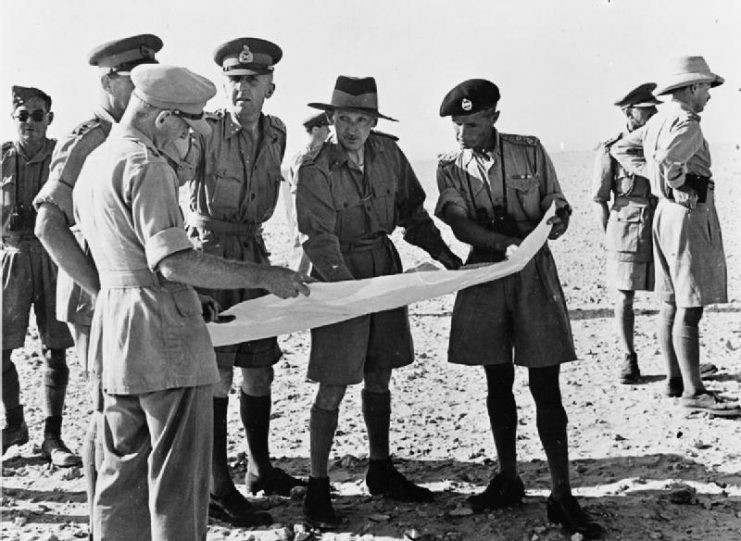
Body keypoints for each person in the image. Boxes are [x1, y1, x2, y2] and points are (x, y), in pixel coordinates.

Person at [73, 64, 311, 541]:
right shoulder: (147, 164)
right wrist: (266, 275)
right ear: (162, 119)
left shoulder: (98, 160)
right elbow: (173, 262)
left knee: (122, 470)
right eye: (186, 123)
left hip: (116, 328)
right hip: (162, 333)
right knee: (178, 479)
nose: (189, 134)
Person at [435, 79, 602, 539]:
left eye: (471, 123)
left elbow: (554, 199)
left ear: (493, 117)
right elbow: (457, 222)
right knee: (497, 380)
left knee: (546, 382)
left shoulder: (529, 150)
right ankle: (507, 477)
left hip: (532, 270)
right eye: (457, 124)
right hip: (487, 272)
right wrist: (501, 245)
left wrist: (557, 219)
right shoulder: (449, 166)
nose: (462, 132)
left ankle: (562, 493)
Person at [296, 75, 462, 528]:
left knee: (379, 373)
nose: (352, 129)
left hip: (382, 267)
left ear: (373, 122)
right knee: (333, 381)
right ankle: (316, 487)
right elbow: (318, 238)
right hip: (338, 276)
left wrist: (445, 256)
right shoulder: (314, 166)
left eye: (361, 120)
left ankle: (381, 469)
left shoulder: (389, 153)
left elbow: (412, 213)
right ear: (330, 120)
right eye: (343, 119)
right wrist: (350, 295)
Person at [32, 34, 164, 528]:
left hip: (134, 290)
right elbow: (48, 223)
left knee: (132, 414)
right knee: (107, 414)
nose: (145, 87)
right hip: (99, 294)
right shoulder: (90, 135)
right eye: (135, 78)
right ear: (109, 81)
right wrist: (100, 290)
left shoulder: (143, 131)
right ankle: (100, 520)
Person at [181, 37, 302, 526]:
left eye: (253, 81)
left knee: (260, 369)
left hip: (254, 253)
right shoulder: (206, 131)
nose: (242, 90)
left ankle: (260, 467)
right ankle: (216, 486)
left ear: (271, 86)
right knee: (217, 375)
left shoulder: (276, 133)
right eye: (234, 81)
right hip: (211, 257)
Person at [610, 56, 737, 415]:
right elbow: (668, 161)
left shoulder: (660, 119)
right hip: (687, 216)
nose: (709, 96)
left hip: (664, 215)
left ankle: (675, 378)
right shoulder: (687, 123)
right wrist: (679, 183)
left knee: (670, 301)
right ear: (694, 87)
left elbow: (623, 148)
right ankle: (694, 391)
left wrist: (658, 181)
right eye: (707, 88)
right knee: (691, 305)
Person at [2, 85, 76, 465]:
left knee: (55, 349)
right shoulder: (1, 158)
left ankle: (53, 436)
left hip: (52, 256)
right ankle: (14, 423)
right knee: (0, 349)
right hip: (11, 259)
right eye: (22, 116)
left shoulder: (63, 158)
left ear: (49, 118)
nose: (29, 122)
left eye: (37, 115)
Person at [591, 83, 660, 383]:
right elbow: (599, 198)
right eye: (646, 111)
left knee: (671, 295)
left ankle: (675, 358)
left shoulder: (660, 143)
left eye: (654, 109)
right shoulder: (611, 149)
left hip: (660, 226)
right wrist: (609, 236)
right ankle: (628, 357)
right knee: (624, 298)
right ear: (628, 113)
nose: (653, 114)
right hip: (626, 232)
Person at [284, 112, 332, 273]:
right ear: (316, 130)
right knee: (305, 261)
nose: (330, 132)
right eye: (326, 128)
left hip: (313, 216)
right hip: (306, 216)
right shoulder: (304, 158)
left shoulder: (322, 153)